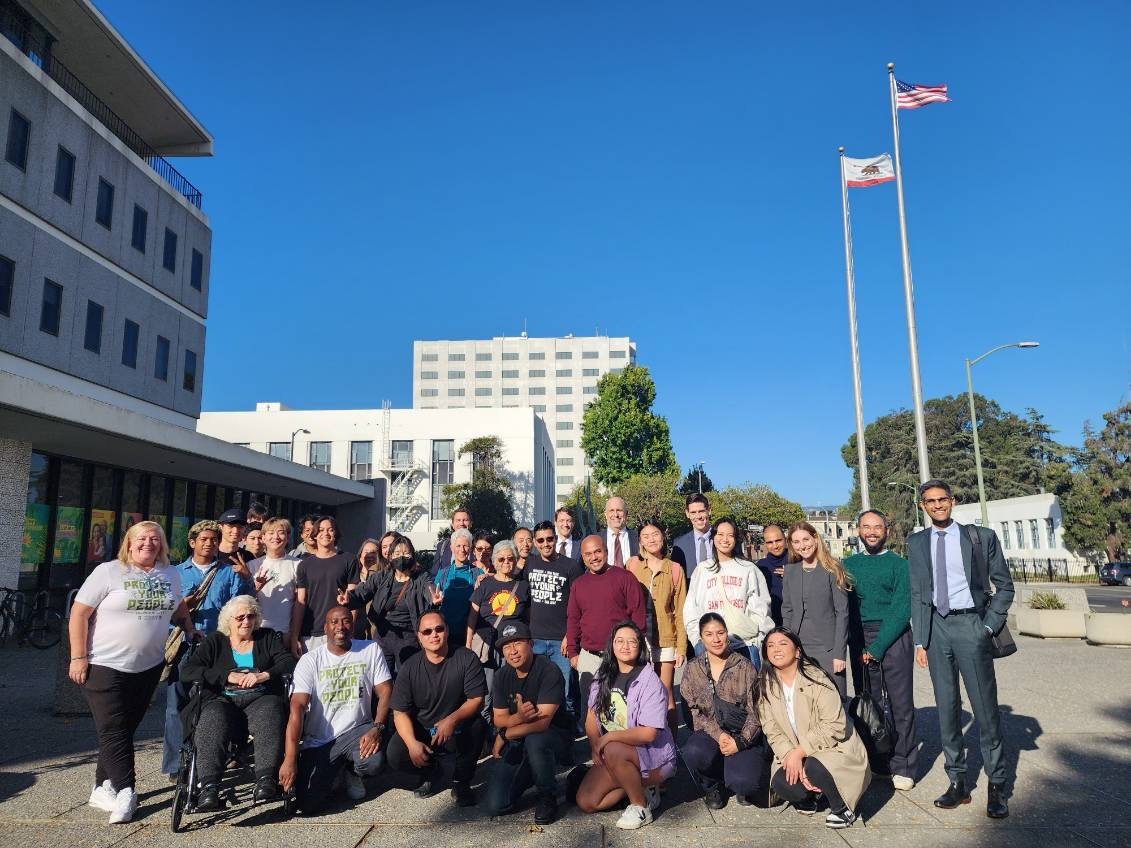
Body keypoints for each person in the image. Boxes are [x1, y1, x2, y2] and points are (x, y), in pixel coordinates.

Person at [69, 521, 197, 824]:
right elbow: (79, 613)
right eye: (141, 538)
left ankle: (103, 786)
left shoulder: (169, 573)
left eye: (155, 539)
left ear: (162, 544)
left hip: (148, 666)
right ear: (129, 542)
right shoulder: (109, 571)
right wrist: (78, 657)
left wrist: (189, 628)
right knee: (114, 729)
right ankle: (127, 791)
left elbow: (178, 607)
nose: (148, 543)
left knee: (123, 729)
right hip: (104, 664)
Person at [909, 479, 1014, 819]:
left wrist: (988, 626)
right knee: (947, 710)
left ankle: (997, 785)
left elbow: (1004, 586)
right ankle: (957, 782)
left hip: (971, 625)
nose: (937, 505)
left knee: (985, 710)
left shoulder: (979, 537)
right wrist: (920, 641)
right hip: (936, 630)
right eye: (930, 501)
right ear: (922, 505)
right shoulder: (916, 542)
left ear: (952, 501)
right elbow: (918, 593)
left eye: (942, 499)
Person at [179, 595, 296, 809]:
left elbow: (288, 661)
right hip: (222, 700)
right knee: (211, 717)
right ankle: (209, 788)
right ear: (228, 621)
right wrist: (225, 676)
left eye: (251, 616)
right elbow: (189, 671)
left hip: (260, 698)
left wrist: (264, 675)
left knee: (272, 710)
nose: (246, 621)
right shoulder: (215, 641)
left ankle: (265, 781)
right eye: (240, 617)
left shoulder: (267, 637)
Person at [279, 606, 393, 813]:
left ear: (353, 624)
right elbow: (297, 709)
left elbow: (386, 691)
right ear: (325, 628)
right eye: (334, 622)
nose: (341, 627)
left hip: (357, 731)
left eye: (346, 621)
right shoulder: (310, 660)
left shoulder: (370, 649)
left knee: (372, 763)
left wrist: (377, 727)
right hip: (320, 741)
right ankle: (335, 771)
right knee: (307, 806)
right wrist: (290, 758)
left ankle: (352, 771)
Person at [161, 519, 251, 779]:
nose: (210, 544)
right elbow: (163, 613)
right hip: (183, 646)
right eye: (204, 539)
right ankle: (176, 765)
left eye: (213, 539)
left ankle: (210, 758)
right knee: (175, 706)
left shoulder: (229, 571)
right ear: (192, 542)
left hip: (216, 647)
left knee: (215, 704)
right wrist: (181, 609)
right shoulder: (175, 573)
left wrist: (247, 581)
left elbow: (242, 607)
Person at [758, 627, 870, 829]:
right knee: (782, 782)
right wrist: (790, 754)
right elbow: (771, 728)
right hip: (793, 750)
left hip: (833, 747)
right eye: (770, 645)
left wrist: (801, 752)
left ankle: (842, 807)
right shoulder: (765, 684)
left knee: (815, 766)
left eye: (783, 643)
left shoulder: (816, 678)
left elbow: (834, 724)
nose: (776, 649)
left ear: (798, 651)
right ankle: (809, 799)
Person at [575, 621, 676, 830]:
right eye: (619, 641)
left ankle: (641, 805)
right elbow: (591, 719)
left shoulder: (649, 681)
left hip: (652, 756)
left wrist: (607, 739)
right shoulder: (602, 676)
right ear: (611, 645)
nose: (625, 646)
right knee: (587, 801)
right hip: (616, 753)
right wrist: (595, 745)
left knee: (613, 748)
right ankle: (638, 786)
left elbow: (649, 734)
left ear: (640, 647)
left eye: (632, 641)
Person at [843, 509, 918, 791]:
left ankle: (904, 765)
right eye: (866, 527)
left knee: (900, 704)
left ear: (886, 531)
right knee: (868, 705)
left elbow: (901, 609)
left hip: (893, 635)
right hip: (859, 637)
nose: (872, 532)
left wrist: (876, 647)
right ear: (858, 530)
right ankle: (877, 762)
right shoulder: (847, 564)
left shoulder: (899, 565)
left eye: (877, 527)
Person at [387, 610, 488, 806]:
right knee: (395, 753)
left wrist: (452, 720)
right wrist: (411, 744)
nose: (434, 635)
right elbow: (399, 712)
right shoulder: (409, 668)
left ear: (447, 631)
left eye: (439, 629)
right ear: (419, 637)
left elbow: (477, 700)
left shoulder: (466, 658)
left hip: (456, 728)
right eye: (427, 631)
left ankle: (461, 782)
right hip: (423, 729)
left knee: (477, 726)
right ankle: (430, 771)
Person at [485, 621, 573, 824]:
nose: (512, 651)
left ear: (531, 644)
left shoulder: (549, 670)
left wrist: (505, 734)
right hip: (519, 739)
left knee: (536, 740)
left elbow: (541, 723)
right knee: (497, 804)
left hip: (554, 736)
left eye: (517, 643)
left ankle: (547, 795)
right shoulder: (501, 675)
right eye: (506, 646)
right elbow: (499, 719)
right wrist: (517, 719)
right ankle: (533, 771)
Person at [680, 613, 765, 809]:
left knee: (745, 782)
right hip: (710, 733)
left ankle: (736, 776)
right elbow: (692, 711)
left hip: (741, 733)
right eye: (709, 634)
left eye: (720, 632)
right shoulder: (694, 669)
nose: (716, 639)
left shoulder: (744, 666)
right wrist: (719, 735)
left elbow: (757, 711)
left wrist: (741, 742)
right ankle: (713, 784)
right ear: (701, 638)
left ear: (727, 634)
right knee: (694, 752)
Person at [340, 534, 441, 673]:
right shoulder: (382, 576)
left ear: (412, 555)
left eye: (406, 553)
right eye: (397, 553)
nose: (401, 557)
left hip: (409, 636)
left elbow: (429, 589)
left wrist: (433, 598)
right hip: (383, 633)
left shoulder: (421, 577)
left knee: (407, 677)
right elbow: (363, 592)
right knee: (380, 676)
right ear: (391, 556)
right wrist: (348, 599)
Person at [567, 535, 647, 701]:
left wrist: (634, 651)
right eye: (588, 554)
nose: (594, 557)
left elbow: (638, 617)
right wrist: (573, 652)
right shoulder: (578, 584)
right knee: (589, 709)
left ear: (606, 551)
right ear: (582, 557)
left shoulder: (625, 578)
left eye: (598, 551)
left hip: (620, 656)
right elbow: (573, 619)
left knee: (621, 707)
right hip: (589, 657)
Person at [683, 518, 773, 664]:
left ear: (735, 539)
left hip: (744, 645)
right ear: (713, 537)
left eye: (730, 535)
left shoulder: (748, 569)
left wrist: (757, 641)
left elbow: (761, 608)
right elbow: (691, 609)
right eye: (720, 534)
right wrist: (697, 640)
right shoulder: (702, 570)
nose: (725, 540)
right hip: (709, 646)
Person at [626, 519, 687, 732]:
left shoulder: (675, 570)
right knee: (639, 691)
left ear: (663, 537)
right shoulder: (632, 565)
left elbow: (679, 610)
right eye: (646, 536)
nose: (651, 539)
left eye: (655, 534)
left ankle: (670, 742)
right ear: (640, 541)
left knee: (665, 691)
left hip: (666, 638)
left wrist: (681, 647)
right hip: (638, 638)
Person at [782, 521, 851, 698]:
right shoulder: (790, 572)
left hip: (827, 648)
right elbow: (787, 610)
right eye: (796, 542)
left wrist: (839, 653)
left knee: (834, 699)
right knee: (805, 701)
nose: (802, 546)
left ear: (815, 538)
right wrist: (787, 646)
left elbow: (842, 613)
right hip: (799, 647)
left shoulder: (832, 569)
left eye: (805, 539)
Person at [524, 520, 584, 722]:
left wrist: (570, 636)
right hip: (535, 640)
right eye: (540, 540)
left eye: (550, 539)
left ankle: (567, 736)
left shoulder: (571, 566)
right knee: (535, 691)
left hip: (561, 641)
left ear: (556, 539)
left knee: (565, 692)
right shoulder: (530, 564)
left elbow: (578, 606)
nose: (545, 543)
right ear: (534, 542)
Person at [290, 516, 358, 656]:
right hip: (310, 632)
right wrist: (294, 636)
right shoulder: (304, 565)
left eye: (330, 530)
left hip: (340, 630)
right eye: (321, 530)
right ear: (314, 534)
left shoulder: (349, 560)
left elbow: (353, 600)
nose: (325, 533)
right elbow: (300, 601)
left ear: (336, 534)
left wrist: (350, 631)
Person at [251, 517, 300, 649]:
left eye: (281, 532)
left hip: (285, 633)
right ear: (264, 538)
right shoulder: (252, 566)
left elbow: (300, 602)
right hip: (256, 632)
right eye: (271, 533)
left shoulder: (298, 565)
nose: (276, 537)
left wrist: (294, 635)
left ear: (288, 537)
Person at [433, 527, 481, 645]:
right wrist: (435, 600)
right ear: (452, 548)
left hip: (471, 633)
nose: (462, 550)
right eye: (458, 546)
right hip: (446, 633)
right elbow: (434, 597)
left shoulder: (479, 573)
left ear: (470, 548)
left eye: (465, 546)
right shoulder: (443, 573)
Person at [671, 494, 713, 579]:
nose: (698, 516)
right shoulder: (679, 545)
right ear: (687, 514)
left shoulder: (722, 538)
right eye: (693, 512)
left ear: (709, 511)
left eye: (701, 511)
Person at [755, 524, 788, 625]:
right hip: (772, 624)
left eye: (778, 540)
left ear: (785, 539)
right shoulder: (760, 566)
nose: (775, 546)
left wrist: (793, 576)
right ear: (765, 544)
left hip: (797, 622)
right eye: (770, 542)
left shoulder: (797, 562)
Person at [351, 538, 382, 638]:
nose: (370, 555)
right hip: (357, 629)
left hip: (376, 629)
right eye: (366, 552)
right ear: (360, 555)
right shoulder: (353, 577)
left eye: (374, 552)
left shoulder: (383, 577)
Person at [432, 507, 472, 575]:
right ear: (452, 525)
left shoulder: (479, 547)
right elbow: (434, 573)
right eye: (458, 520)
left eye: (465, 520)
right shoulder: (442, 546)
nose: (461, 523)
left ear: (471, 524)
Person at [216, 508, 253, 581]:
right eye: (231, 525)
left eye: (240, 526)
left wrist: (248, 576)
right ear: (221, 527)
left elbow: (254, 588)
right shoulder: (210, 554)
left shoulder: (249, 557)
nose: (235, 530)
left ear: (244, 529)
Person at [602, 496, 639, 568]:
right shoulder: (597, 539)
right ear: (605, 514)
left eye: (619, 510)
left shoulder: (639, 538)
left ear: (626, 514)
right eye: (611, 510)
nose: (616, 515)